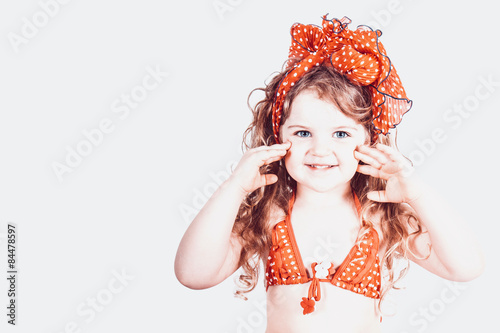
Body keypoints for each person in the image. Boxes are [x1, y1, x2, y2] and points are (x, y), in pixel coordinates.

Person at [174, 15, 484, 332]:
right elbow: (193, 274)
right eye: (303, 133)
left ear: (369, 141)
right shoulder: (268, 214)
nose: (320, 150)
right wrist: (234, 188)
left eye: (340, 134)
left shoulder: (381, 216)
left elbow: (466, 267)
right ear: (277, 137)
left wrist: (417, 193)